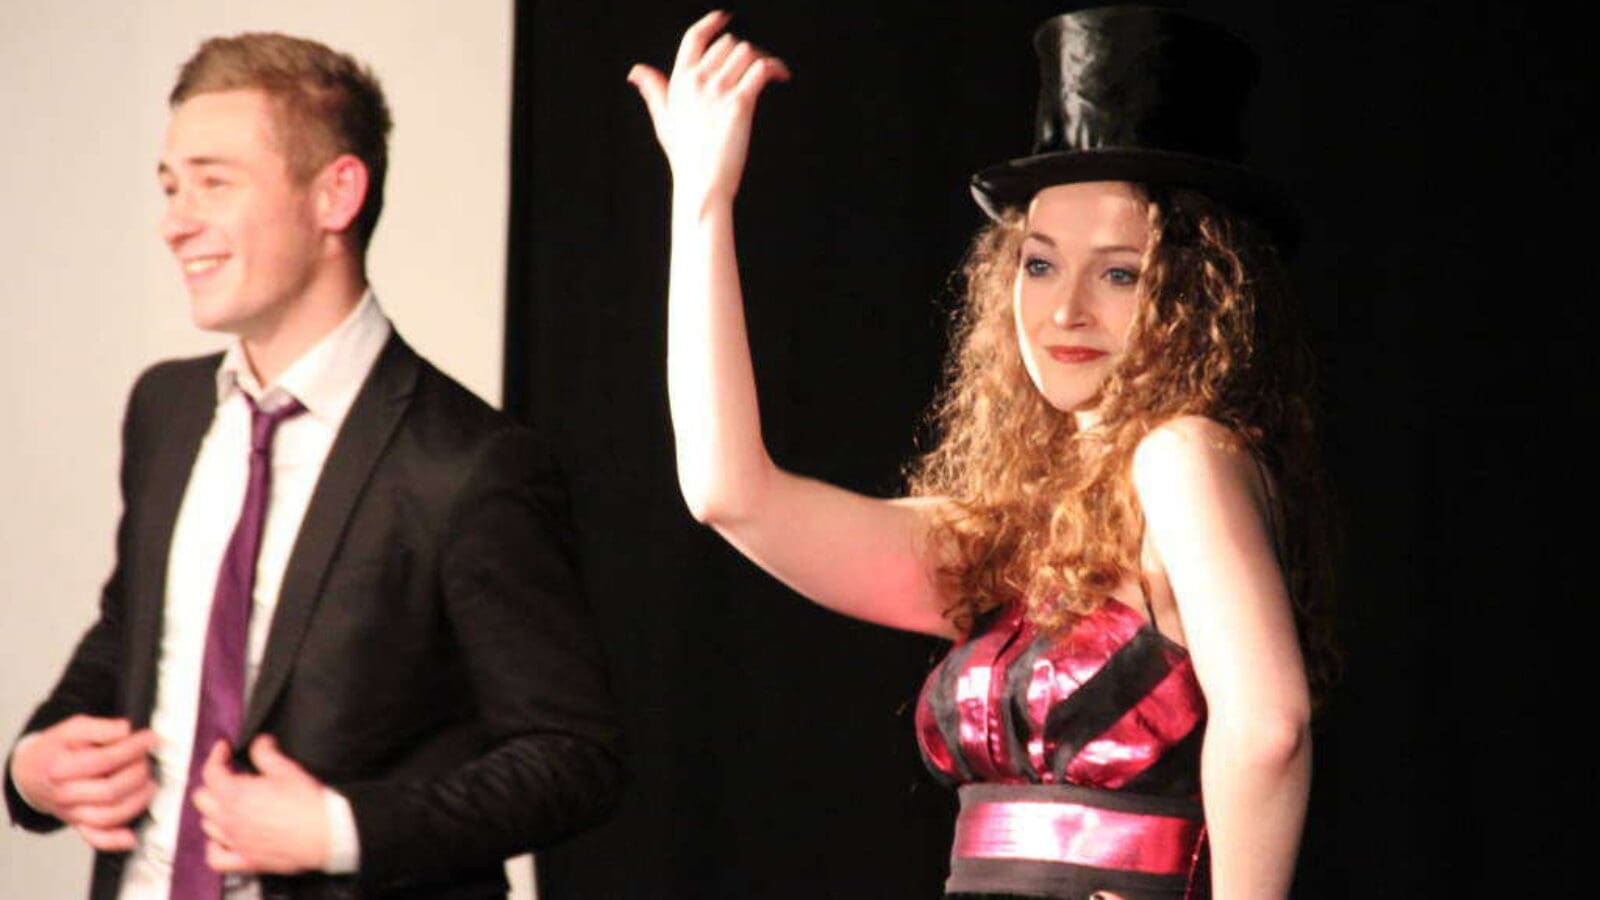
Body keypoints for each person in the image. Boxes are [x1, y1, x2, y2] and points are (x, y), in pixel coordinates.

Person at [629, 7, 1330, 899]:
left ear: (1194, 292)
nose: (1065, 309)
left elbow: (1269, 725)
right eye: (1040, 264)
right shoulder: (1013, 528)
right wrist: (702, 201)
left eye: (1119, 271)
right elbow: (728, 494)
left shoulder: (1180, 456)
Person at [6, 32, 624, 899]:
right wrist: (34, 763)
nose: (175, 222)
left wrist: (342, 830)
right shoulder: (165, 410)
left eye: (214, 182)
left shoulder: (471, 465)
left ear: (336, 193)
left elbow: (573, 757)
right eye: (172, 186)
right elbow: (133, 629)